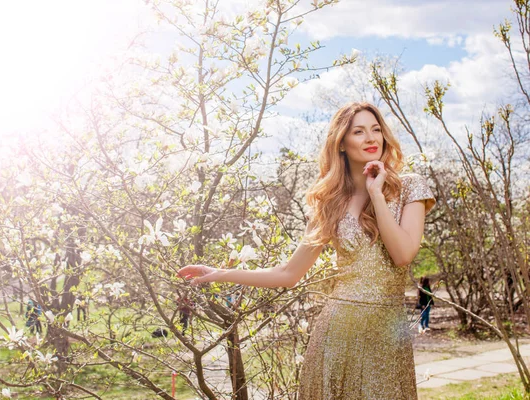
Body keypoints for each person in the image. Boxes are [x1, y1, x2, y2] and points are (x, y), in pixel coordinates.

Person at [177, 102, 436, 399]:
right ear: (341, 142)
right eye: (359, 131)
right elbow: (289, 273)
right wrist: (219, 273)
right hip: (336, 332)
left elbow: (403, 255)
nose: (371, 138)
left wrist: (376, 193)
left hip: (386, 335)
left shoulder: (409, 187)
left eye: (376, 130)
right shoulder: (330, 203)